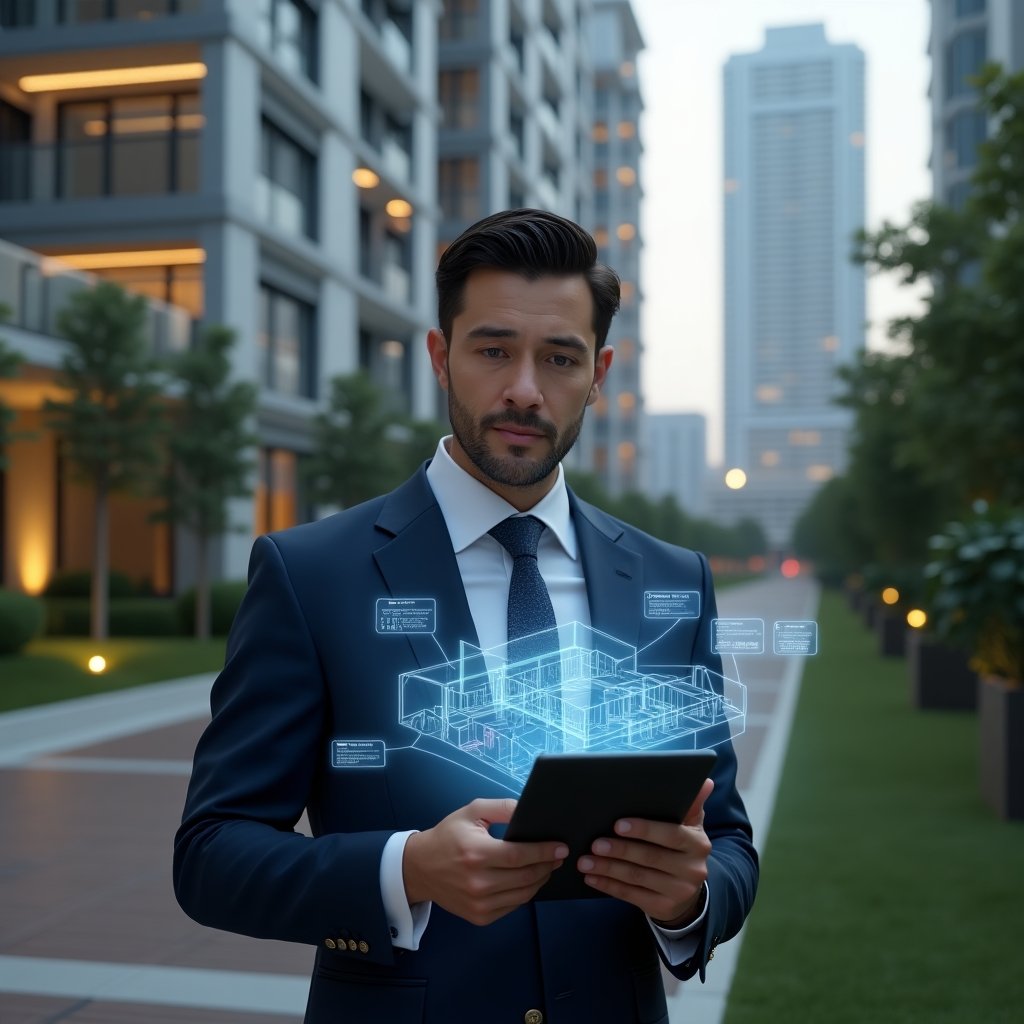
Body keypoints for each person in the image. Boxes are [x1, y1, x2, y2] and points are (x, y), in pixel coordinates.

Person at [174, 208, 758, 1024]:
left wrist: (687, 899)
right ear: (442, 358)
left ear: (600, 374)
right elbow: (211, 857)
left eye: (560, 358)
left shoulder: (675, 579)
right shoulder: (311, 575)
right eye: (493, 351)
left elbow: (728, 842)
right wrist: (404, 870)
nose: (524, 388)